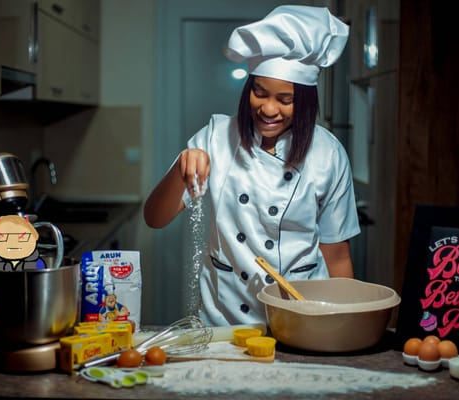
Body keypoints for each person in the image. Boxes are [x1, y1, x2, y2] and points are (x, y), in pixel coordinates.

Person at [144, 5, 361, 326]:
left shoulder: (327, 153)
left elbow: (338, 254)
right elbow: (155, 218)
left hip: (303, 314)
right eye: (259, 93)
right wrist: (180, 169)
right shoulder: (214, 138)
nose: (268, 109)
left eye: (285, 100)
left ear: (304, 103)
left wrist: (347, 325)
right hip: (226, 318)